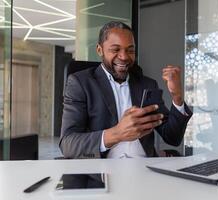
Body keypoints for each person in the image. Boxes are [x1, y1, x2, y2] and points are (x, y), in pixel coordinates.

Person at [59, 21, 192, 159]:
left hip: (145, 170)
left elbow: (173, 138)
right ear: (100, 50)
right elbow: (68, 144)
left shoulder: (147, 84)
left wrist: (177, 96)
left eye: (130, 50)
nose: (124, 57)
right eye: (115, 50)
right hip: (103, 174)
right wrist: (117, 133)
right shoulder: (80, 83)